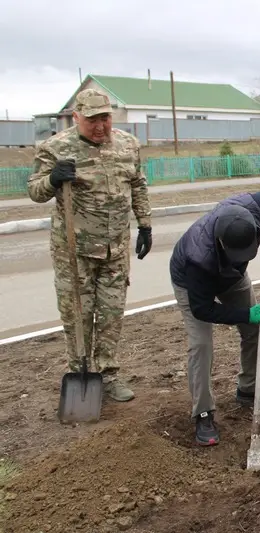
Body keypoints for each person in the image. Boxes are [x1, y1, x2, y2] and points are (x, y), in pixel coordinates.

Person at [27, 89, 153, 402]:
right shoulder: (55, 148)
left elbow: (138, 184)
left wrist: (146, 225)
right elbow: (35, 191)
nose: (100, 126)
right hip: (75, 252)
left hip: (115, 249)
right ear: (77, 117)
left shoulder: (128, 144)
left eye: (105, 118)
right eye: (92, 119)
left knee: (111, 316)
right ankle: (81, 372)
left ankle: (108, 376)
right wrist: (53, 179)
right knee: (78, 318)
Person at [169, 191, 260, 446]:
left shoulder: (252, 208)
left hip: (231, 277)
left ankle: (248, 389)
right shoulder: (198, 257)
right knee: (201, 345)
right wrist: (245, 314)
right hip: (193, 285)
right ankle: (203, 413)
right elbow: (202, 309)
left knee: (255, 330)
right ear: (222, 242)